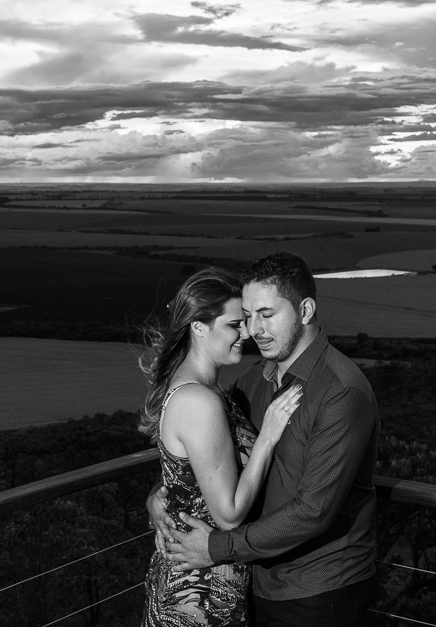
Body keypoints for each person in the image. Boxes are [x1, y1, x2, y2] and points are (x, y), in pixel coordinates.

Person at [152, 252, 380, 627]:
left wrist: (216, 549)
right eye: (248, 315)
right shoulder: (253, 382)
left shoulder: (340, 392)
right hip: (254, 582)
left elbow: (313, 511)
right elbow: (207, 457)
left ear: (305, 310)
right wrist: (161, 495)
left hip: (319, 590)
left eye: (267, 315)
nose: (253, 330)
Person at [139, 267, 304, 627]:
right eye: (234, 324)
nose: (246, 333)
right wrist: (268, 435)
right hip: (198, 594)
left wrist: (156, 496)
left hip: (212, 579)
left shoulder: (210, 392)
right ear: (199, 327)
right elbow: (228, 513)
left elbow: (187, 478)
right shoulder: (199, 400)